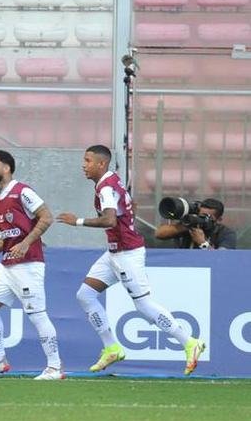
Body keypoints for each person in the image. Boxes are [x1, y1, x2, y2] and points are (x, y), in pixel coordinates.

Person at [56, 145, 206, 375]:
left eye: (87, 160)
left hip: (127, 254)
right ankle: (112, 348)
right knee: (85, 295)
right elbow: (125, 210)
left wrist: (76, 221)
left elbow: (109, 221)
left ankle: (189, 342)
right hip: (115, 252)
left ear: (101, 164)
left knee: (143, 305)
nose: (83, 165)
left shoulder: (106, 187)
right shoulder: (111, 181)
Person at [0, 150, 62, 380]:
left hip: (29, 263)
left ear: (7, 167)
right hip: (7, 264)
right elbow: (6, 234)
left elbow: (46, 217)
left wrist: (26, 243)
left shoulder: (22, 191)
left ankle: (54, 367)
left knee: (37, 316)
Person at [154, 198, 237, 250]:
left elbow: (222, 258)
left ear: (219, 219)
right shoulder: (190, 226)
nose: (202, 219)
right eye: (200, 216)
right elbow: (159, 234)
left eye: (207, 217)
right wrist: (185, 226)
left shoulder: (226, 233)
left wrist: (203, 243)